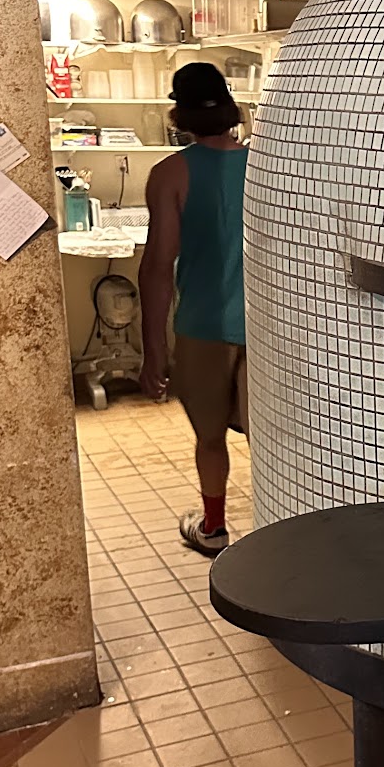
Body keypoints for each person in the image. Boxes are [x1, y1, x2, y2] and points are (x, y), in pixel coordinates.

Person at [138, 62, 249, 554]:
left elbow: (158, 268)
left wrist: (154, 351)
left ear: (178, 114)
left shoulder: (170, 174)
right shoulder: (267, 165)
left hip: (202, 326)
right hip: (267, 328)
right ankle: (282, 537)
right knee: (271, 439)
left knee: (209, 437)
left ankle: (214, 528)